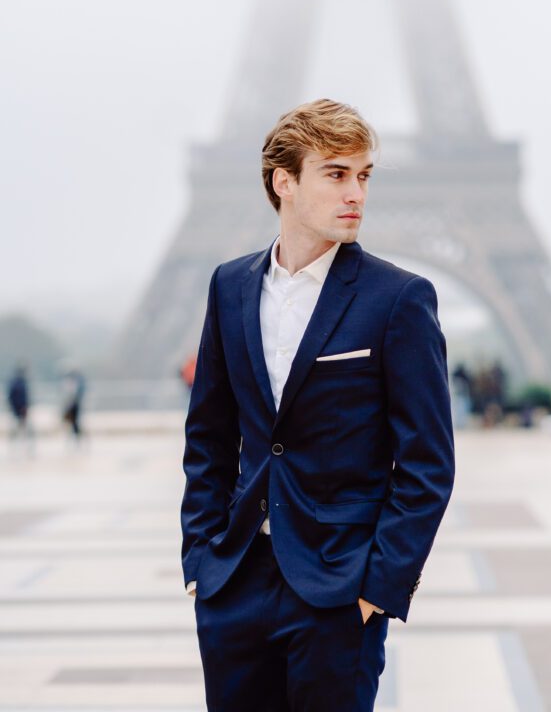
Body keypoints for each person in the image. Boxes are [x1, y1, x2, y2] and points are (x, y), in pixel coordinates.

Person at [181, 99, 455, 712]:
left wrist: (376, 589)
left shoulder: (399, 299)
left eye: (363, 175)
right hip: (236, 582)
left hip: (337, 593)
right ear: (285, 182)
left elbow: (428, 463)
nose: (355, 191)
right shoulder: (230, 286)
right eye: (335, 174)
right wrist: (201, 561)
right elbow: (209, 436)